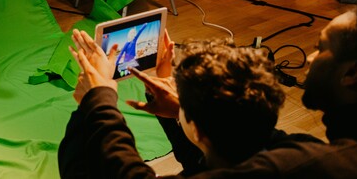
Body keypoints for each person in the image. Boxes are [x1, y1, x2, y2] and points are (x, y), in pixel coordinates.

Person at [58, 0, 357, 178]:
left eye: (321, 46)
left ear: (354, 72)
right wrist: (187, 110)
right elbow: (254, 144)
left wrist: (99, 99)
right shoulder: (335, 150)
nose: (310, 56)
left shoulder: (308, 167)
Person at [58, 31, 297, 178]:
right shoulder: (299, 153)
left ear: (198, 130)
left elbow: (83, 169)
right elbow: (197, 162)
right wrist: (181, 109)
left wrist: (96, 99)